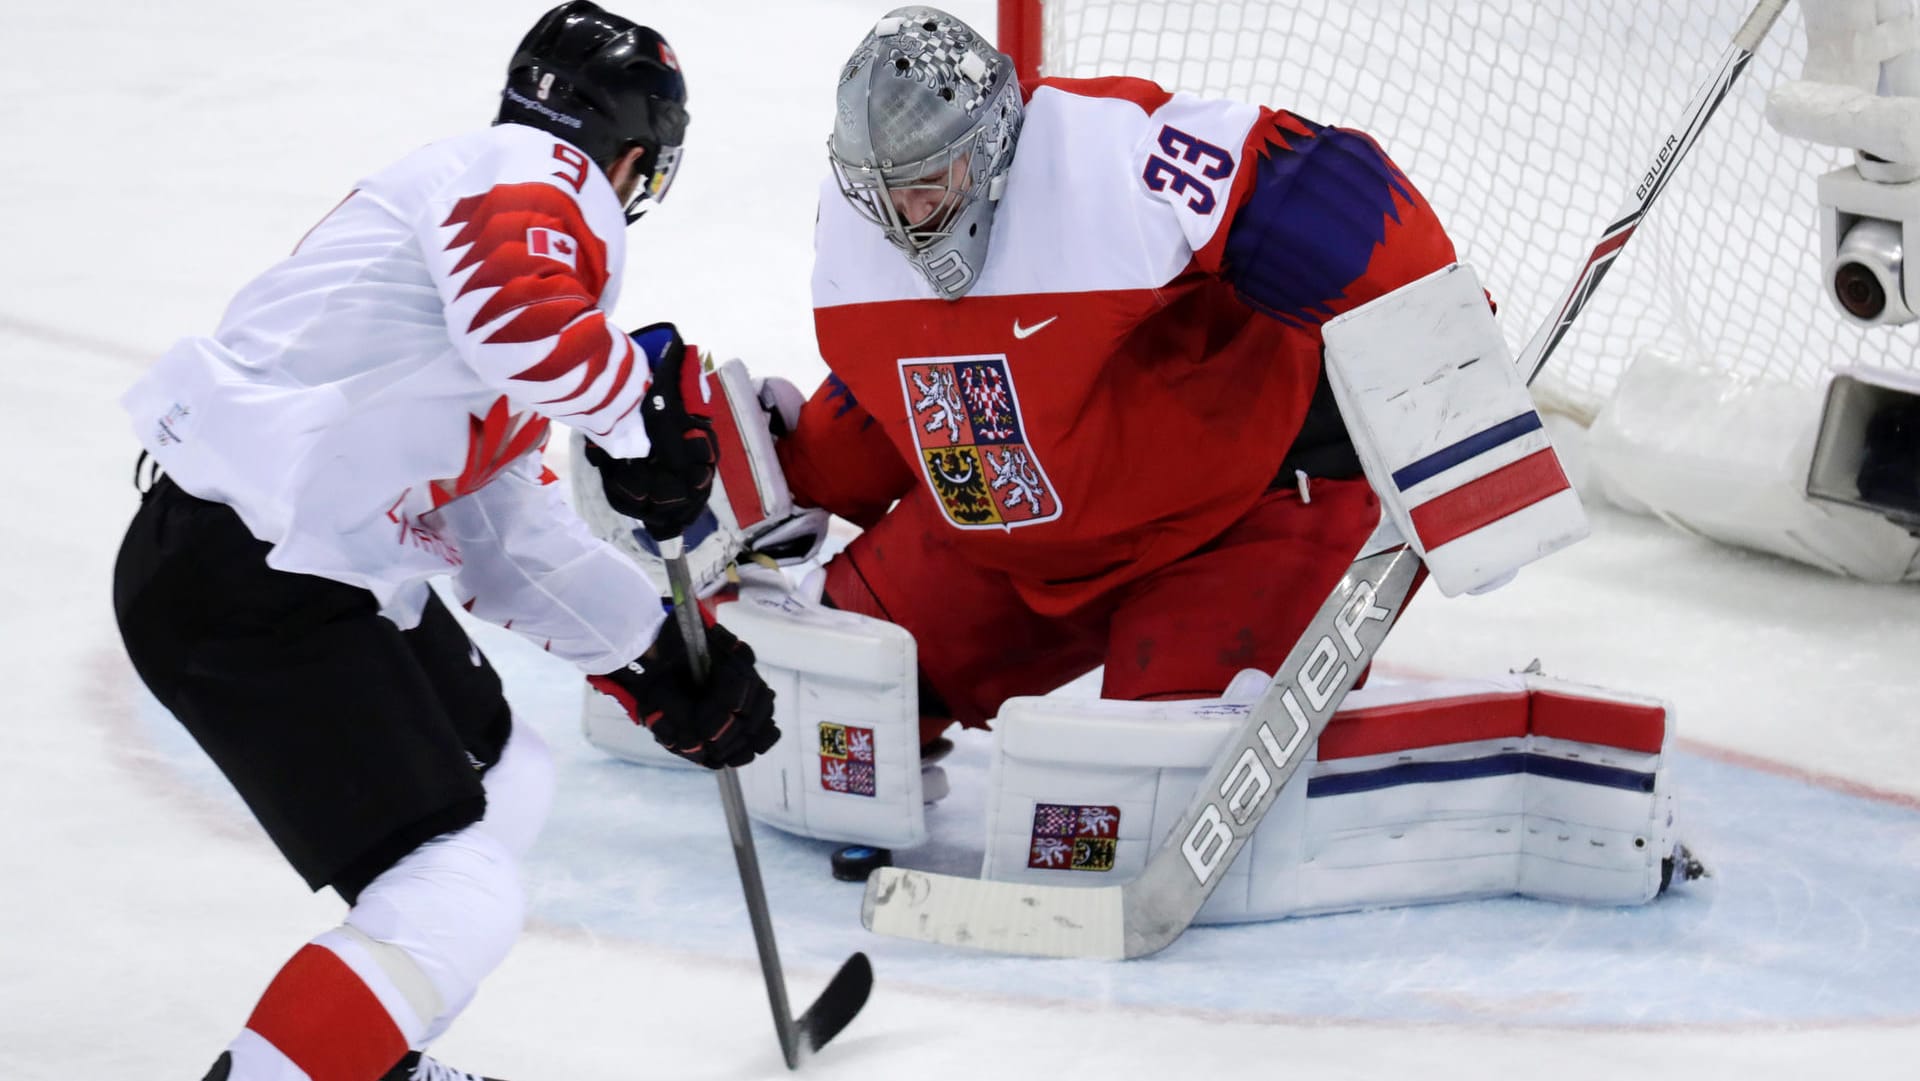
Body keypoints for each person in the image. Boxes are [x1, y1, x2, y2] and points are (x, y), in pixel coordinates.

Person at [112, 4, 777, 1080]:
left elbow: (500, 535)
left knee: (505, 772)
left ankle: (368, 1053)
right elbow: (521, 316)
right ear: (637, 155)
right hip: (255, 579)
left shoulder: (483, 238)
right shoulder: (530, 177)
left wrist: (658, 651)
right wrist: (632, 419)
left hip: (289, 567)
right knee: (459, 892)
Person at [782, 5, 1457, 746]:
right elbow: (902, 385)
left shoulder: (1117, 154)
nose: (908, 215)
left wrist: (1459, 400)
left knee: (1165, 774)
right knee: (827, 685)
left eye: (930, 178)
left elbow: (1322, 194)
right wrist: (796, 476)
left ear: (997, 132)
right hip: (1015, 552)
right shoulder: (853, 232)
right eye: (882, 189)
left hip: (1235, 521)